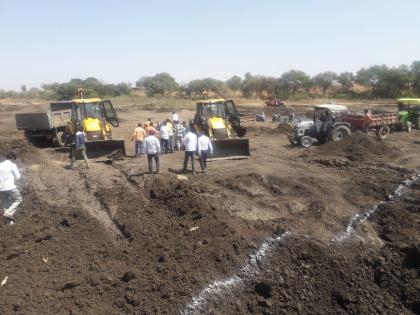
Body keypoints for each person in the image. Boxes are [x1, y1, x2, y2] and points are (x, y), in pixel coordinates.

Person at [0, 152, 22, 225]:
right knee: (18, 200)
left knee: (6, 204)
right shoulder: (12, 165)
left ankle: (9, 223)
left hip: (1, 188)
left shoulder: (0, 165)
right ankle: (8, 214)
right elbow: (18, 177)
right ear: (12, 158)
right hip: (10, 187)